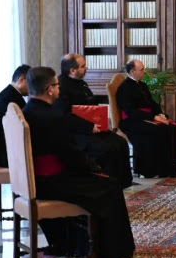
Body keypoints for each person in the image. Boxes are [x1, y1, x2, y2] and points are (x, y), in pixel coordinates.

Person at [21, 66, 135, 258]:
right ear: (49, 90)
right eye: (57, 85)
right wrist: (90, 167)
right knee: (111, 187)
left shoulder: (26, 112)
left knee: (104, 181)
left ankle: (78, 243)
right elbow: (69, 155)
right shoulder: (51, 118)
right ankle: (107, 254)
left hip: (34, 181)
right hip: (53, 181)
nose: (59, 89)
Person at [53, 54, 132, 189]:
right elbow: (65, 115)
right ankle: (105, 185)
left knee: (120, 142)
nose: (86, 67)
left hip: (92, 127)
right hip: (77, 132)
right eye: (83, 66)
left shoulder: (81, 83)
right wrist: (89, 127)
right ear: (72, 70)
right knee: (106, 148)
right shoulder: (61, 87)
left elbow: (87, 103)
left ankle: (121, 183)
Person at [116, 59, 176, 178]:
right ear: (133, 71)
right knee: (160, 130)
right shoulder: (124, 88)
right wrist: (152, 117)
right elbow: (130, 111)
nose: (145, 71)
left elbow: (152, 103)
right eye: (142, 69)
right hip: (132, 121)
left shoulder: (142, 85)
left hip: (145, 118)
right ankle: (154, 169)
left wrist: (160, 114)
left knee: (170, 128)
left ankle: (171, 165)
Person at [0, 64, 30, 167]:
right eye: (31, 83)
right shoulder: (11, 99)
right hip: (8, 156)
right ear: (21, 80)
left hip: (4, 152)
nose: (32, 88)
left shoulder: (10, 94)